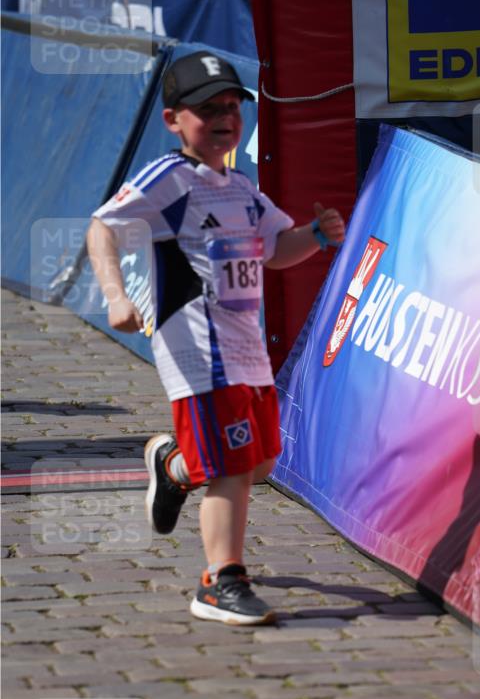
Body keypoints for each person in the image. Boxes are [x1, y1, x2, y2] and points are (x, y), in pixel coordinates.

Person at [87, 51, 345, 625]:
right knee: (231, 469)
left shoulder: (243, 189)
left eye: (233, 107)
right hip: (198, 355)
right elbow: (102, 228)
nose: (227, 118)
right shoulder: (167, 180)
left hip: (249, 356)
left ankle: (174, 467)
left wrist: (316, 235)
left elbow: (277, 251)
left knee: (260, 464)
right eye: (209, 110)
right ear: (174, 120)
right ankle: (220, 582)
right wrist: (115, 296)